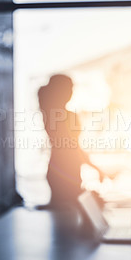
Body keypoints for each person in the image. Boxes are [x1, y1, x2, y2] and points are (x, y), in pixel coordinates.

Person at [38, 74, 104, 206]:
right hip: (64, 174)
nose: (71, 93)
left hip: (67, 172)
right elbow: (73, 149)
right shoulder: (57, 116)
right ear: (59, 91)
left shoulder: (54, 114)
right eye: (69, 88)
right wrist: (95, 168)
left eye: (72, 89)